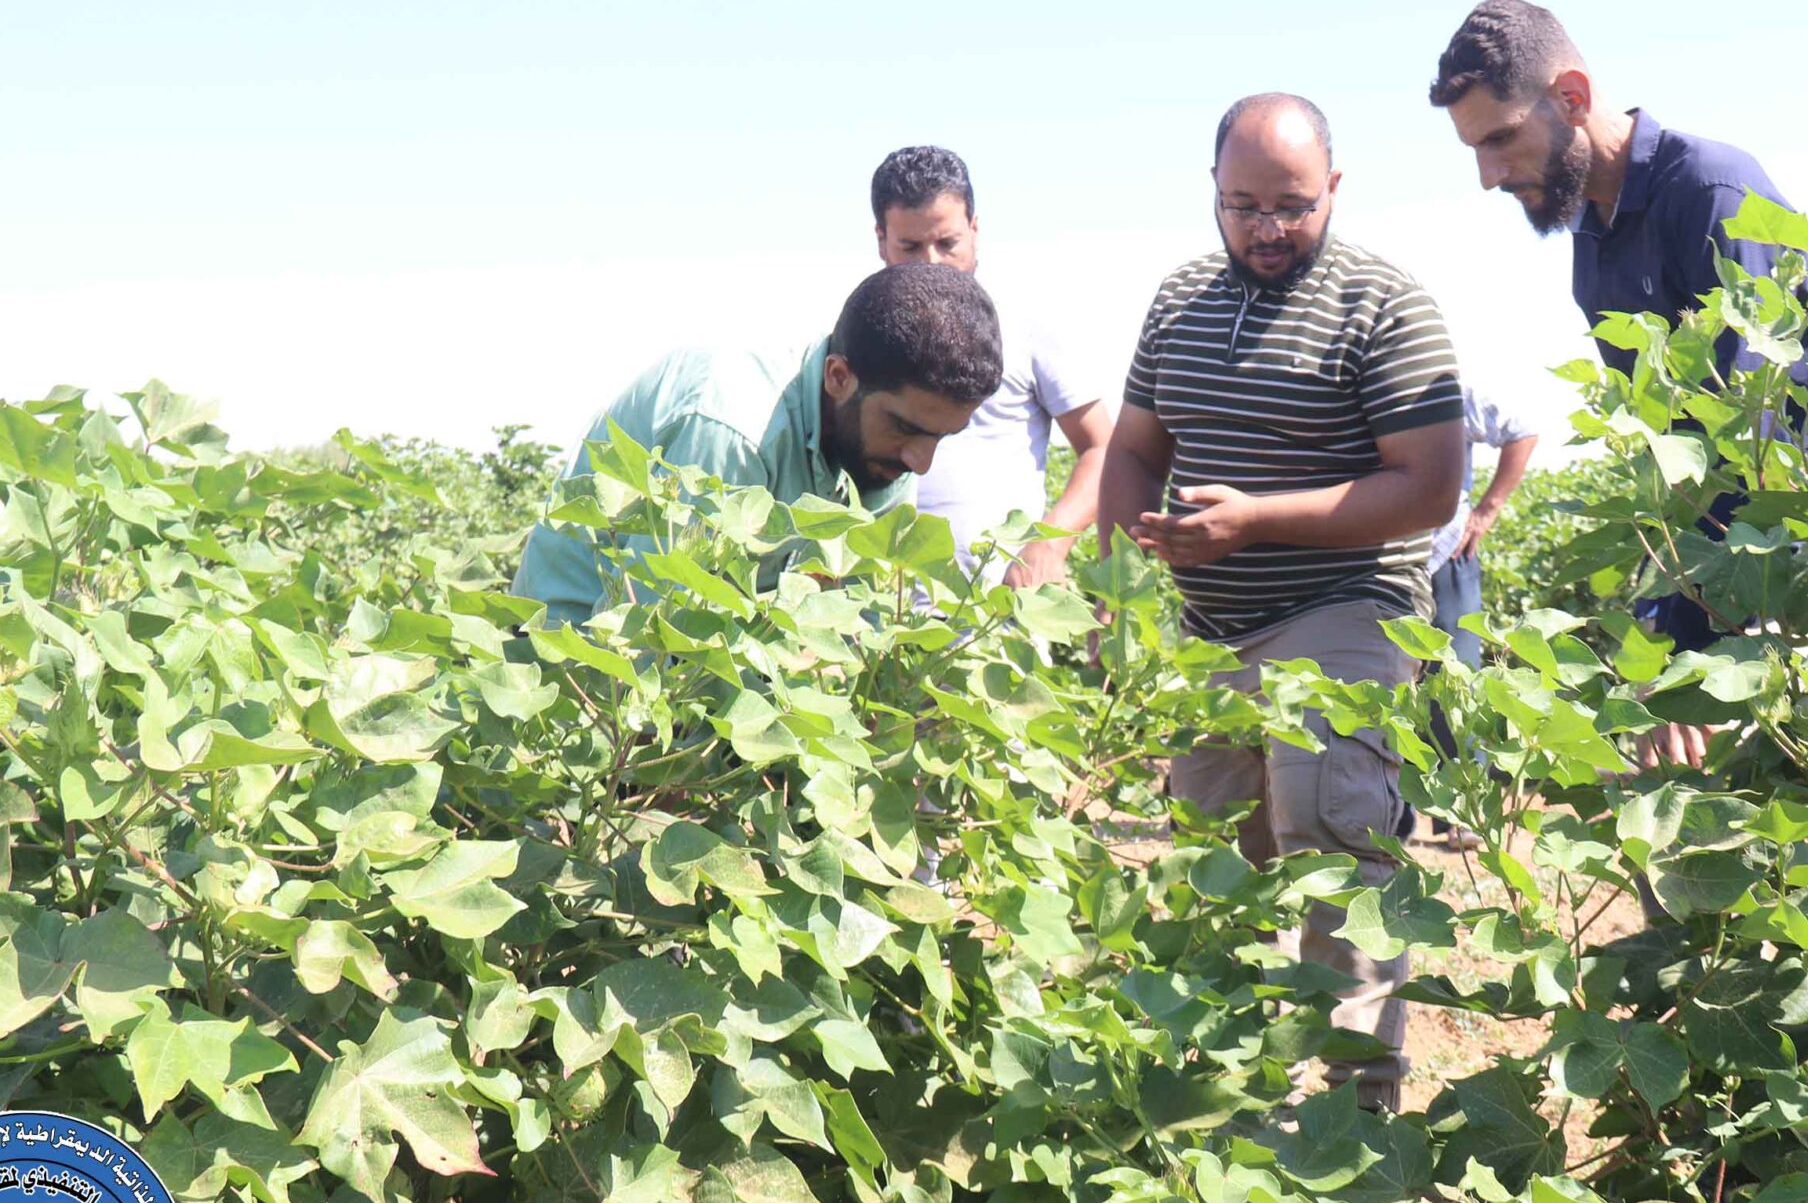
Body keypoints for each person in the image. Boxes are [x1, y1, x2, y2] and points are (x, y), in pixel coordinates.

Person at [1100, 92, 1464, 1112]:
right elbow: (1133, 451)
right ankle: (1227, 1107)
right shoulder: (1179, 300)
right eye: (1243, 205)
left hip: (1347, 605)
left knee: (1331, 830)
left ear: (1334, 188)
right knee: (1215, 858)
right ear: (1213, 192)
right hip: (1209, 629)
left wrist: (1254, 521)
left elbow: (1430, 487)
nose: (1266, 228)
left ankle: (1358, 1114)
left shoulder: (1385, 305)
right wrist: (1122, 583)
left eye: (1293, 206)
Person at [1428, 0, 1808, 771]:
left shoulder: (1711, 194)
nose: (1489, 175)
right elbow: (1668, 456)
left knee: (1748, 794)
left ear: (1572, 97)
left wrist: (1692, 650)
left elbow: (1747, 450)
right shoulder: (1594, 237)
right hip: (1706, 564)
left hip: (1796, 566)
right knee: (1657, 788)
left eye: (1501, 138)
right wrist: (1662, 636)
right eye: (1474, 150)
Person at [510, 262, 1002, 627]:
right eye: (906, 429)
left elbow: (858, 620)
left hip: (714, 664)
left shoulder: (889, 450)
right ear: (838, 377)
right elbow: (654, 630)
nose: (922, 461)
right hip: (571, 652)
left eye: (941, 437)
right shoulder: (734, 427)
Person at [868, 146, 1113, 586]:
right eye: (910, 246)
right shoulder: (859, 338)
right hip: (879, 613)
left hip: (999, 611)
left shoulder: (1027, 327)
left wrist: (1050, 544)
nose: (932, 264)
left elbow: (1103, 448)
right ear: (881, 240)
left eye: (947, 244)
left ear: (975, 230)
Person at [1418, 380, 1542, 852]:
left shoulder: (1449, 390)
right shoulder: (1357, 386)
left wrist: (1488, 508)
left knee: (1456, 681)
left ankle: (1465, 814)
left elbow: (1521, 428)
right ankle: (1390, 812)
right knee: (1376, 678)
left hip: (1445, 555)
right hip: (1373, 561)